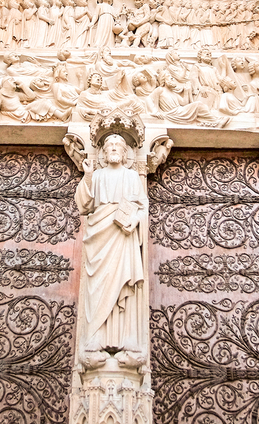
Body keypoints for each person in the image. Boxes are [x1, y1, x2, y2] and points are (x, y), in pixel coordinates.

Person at [74, 135, 147, 362]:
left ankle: (127, 339)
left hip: (123, 235)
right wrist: (87, 175)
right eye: (110, 146)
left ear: (125, 153)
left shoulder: (133, 176)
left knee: (124, 284)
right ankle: (94, 338)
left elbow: (143, 207)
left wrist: (135, 220)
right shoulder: (97, 176)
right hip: (99, 236)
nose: (114, 149)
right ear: (104, 153)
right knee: (98, 286)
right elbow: (84, 204)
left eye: (118, 146)